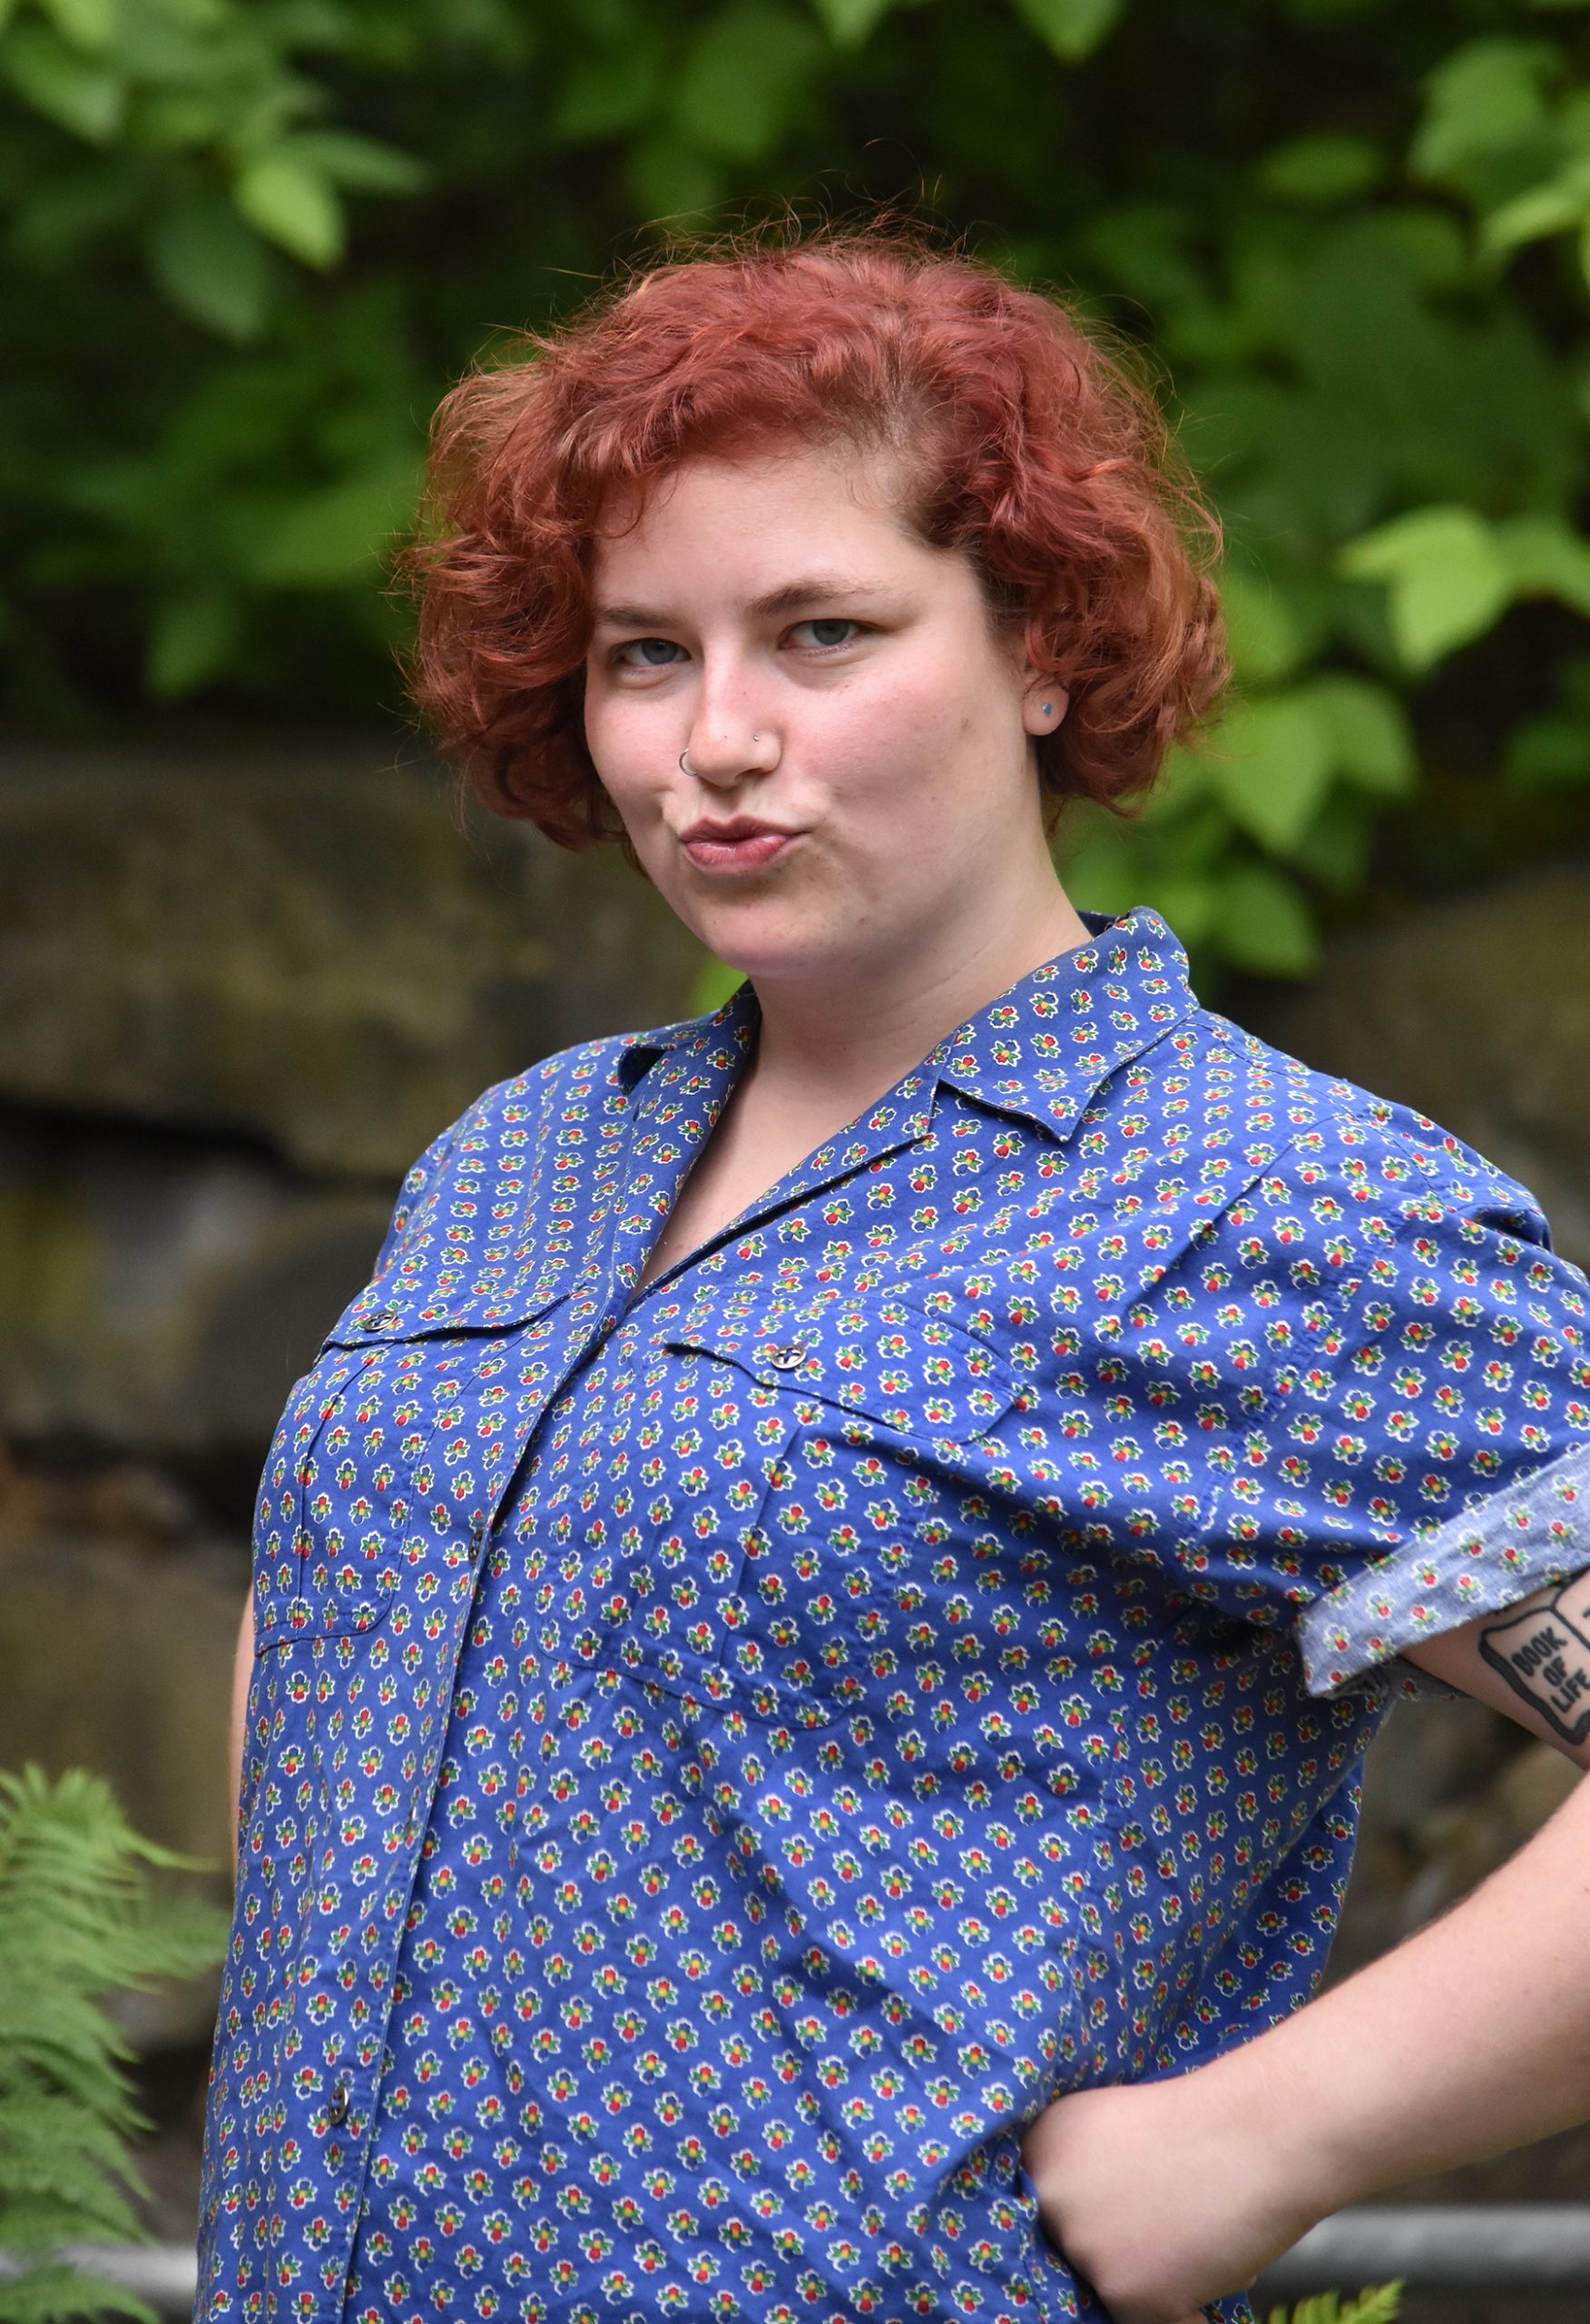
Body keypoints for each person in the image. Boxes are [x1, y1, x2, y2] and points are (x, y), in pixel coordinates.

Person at [198, 229, 1590, 2324]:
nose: (716, 737)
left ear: (1041, 647)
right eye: (644, 652)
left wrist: (1271, 2135)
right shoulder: (519, 1156)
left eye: (822, 633)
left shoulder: (1252, 1202)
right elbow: (341, 1618)